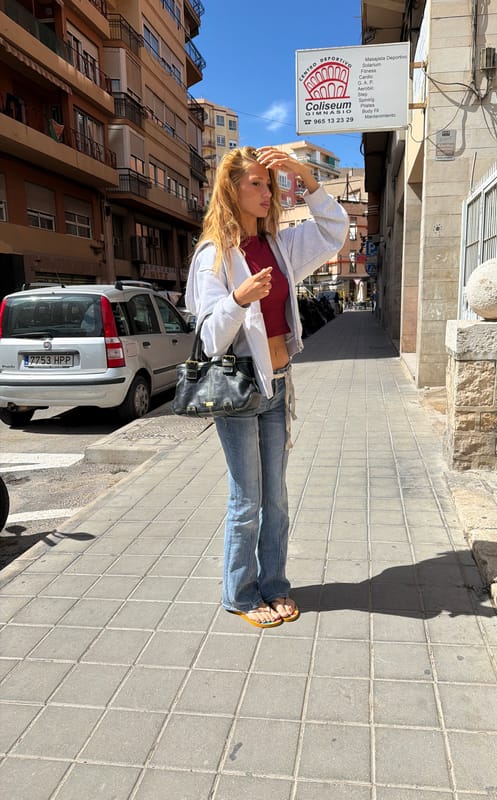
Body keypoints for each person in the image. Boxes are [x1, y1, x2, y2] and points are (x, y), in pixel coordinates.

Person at [185, 146, 348, 628]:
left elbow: (334, 232)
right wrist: (237, 298)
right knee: (247, 500)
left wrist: (305, 176)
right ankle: (238, 593)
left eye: (268, 183)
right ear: (230, 190)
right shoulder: (213, 254)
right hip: (239, 390)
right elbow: (211, 336)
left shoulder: (279, 246)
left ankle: (274, 585)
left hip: (277, 385)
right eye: (254, 183)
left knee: (275, 498)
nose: (265, 192)